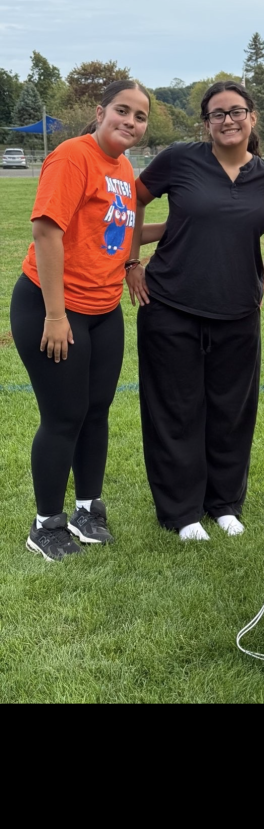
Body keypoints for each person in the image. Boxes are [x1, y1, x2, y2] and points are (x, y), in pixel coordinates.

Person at [126, 81, 264, 541]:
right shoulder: (180, 159)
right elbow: (133, 199)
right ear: (206, 123)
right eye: (217, 114)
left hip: (238, 310)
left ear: (252, 117)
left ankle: (224, 504)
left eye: (236, 111)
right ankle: (182, 512)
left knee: (232, 411)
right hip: (169, 304)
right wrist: (131, 262)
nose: (228, 120)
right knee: (176, 410)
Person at [10, 81, 151, 561]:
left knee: (96, 411)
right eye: (122, 111)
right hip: (54, 307)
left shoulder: (123, 166)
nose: (130, 122)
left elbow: (118, 229)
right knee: (64, 416)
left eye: (140, 116)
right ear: (100, 111)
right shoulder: (73, 156)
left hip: (103, 310)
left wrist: (191, 223)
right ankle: (46, 525)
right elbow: (46, 231)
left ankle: (87, 510)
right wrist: (55, 314)